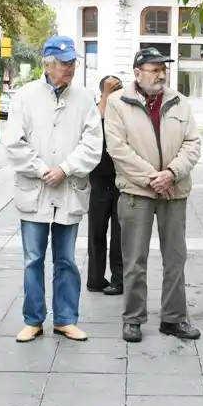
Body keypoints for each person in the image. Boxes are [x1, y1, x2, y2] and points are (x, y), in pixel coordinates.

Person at [6, 37, 103, 343]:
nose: (69, 69)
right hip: (35, 188)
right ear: (46, 64)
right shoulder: (25, 96)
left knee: (67, 260)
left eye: (73, 63)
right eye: (63, 63)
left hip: (69, 188)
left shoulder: (85, 98)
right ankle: (33, 319)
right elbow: (14, 142)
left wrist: (67, 168)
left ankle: (65, 319)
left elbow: (93, 142)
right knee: (32, 258)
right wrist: (41, 169)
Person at [104, 47, 203, 343]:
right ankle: (133, 318)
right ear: (137, 73)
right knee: (135, 259)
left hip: (174, 190)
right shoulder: (117, 102)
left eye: (164, 68)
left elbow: (193, 144)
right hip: (137, 192)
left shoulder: (180, 102)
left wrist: (171, 174)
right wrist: (153, 178)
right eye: (154, 68)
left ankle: (173, 318)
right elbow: (117, 149)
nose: (161, 74)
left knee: (175, 258)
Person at [87, 75, 125, 297]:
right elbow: (95, 127)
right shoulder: (95, 111)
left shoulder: (124, 112)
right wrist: (105, 96)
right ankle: (95, 278)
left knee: (120, 236)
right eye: (111, 88)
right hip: (98, 183)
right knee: (97, 233)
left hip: (121, 182)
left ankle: (118, 280)